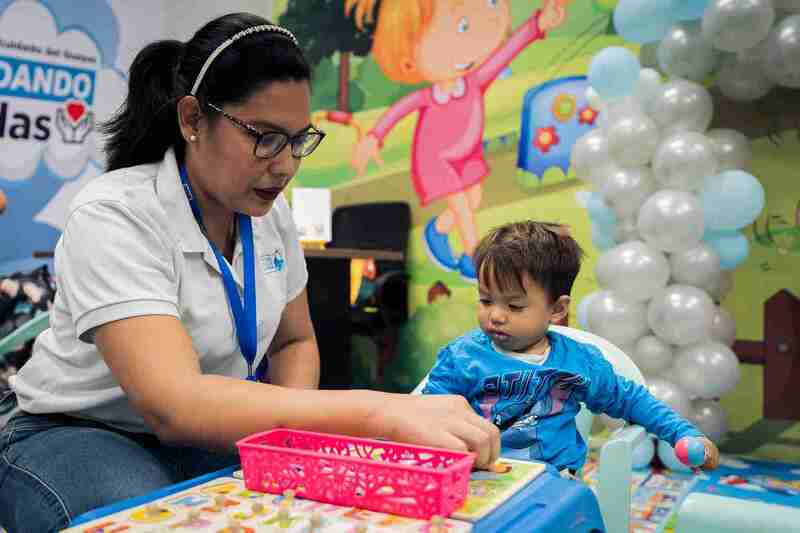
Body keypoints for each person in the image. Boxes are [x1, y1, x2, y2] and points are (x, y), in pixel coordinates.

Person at [0, 13, 499, 532]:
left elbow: (293, 343)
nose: (284, 166)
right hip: (77, 433)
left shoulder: (269, 215)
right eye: (264, 137)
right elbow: (175, 402)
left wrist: (295, 446)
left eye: (298, 140)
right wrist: (378, 413)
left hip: (207, 433)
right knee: (160, 522)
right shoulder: (115, 214)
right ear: (193, 119)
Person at [422, 221, 720, 473]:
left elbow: (631, 400)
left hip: (557, 485)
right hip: (479, 482)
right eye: (486, 300)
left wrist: (683, 433)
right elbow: (426, 418)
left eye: (514, 305)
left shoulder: (578, 361)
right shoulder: (462, 357)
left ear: (557, 309)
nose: (496, 315)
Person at [348, 0, 567, 282]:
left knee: (472, 200)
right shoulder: (428, 97)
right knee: (463, 209)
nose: (472, 41)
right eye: (462, 27)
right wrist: (374, 138)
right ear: (409, 60)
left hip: (467, 154)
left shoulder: (475, 81)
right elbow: (397, 111)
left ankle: (437, 232)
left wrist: (537, 25)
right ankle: (475, 260)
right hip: (434, 160)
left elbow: (506, 54)